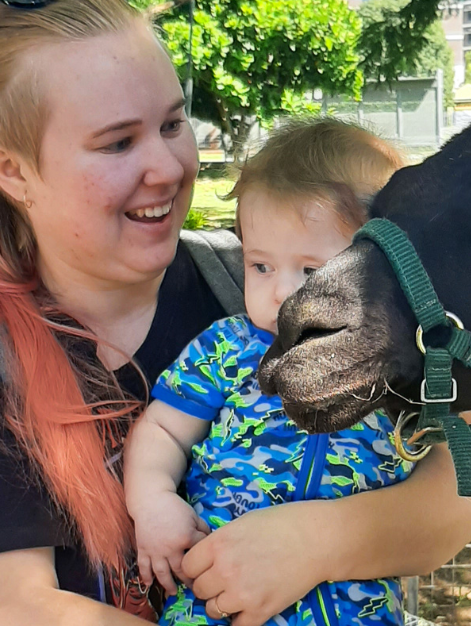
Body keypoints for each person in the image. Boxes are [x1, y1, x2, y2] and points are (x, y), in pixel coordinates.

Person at [0, 0, 471, 626]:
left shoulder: (251, 284)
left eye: (173, 125)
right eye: (118, 142)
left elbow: (470, 489)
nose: (169, 168)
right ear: (11, 168)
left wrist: (318, 541)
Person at [125, 119, 410, 626]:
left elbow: (449, 480)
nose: (282, 293)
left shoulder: (402, 363)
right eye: (260, 266)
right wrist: (153, 501)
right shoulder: (229, 347)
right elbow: (165, 427)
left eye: (311, 270)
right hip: (217, 601)